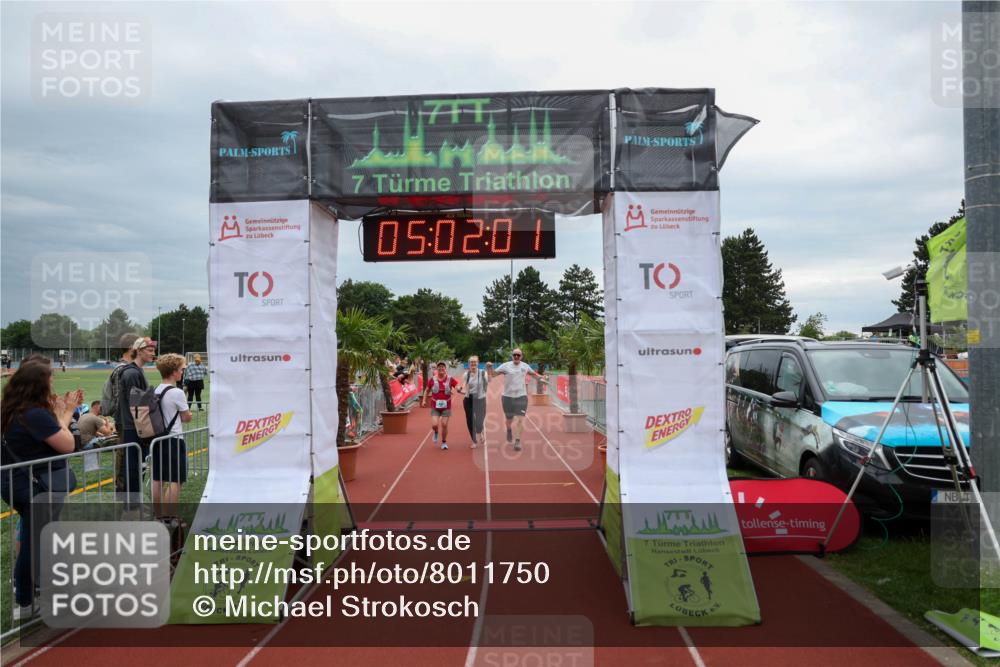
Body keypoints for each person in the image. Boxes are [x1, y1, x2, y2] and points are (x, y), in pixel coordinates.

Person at [0, 358, 81, 619]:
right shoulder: (34, 414)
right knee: (36, 542)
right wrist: (66, 412)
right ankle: (25, 602)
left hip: (17, 483)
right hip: (35, 486)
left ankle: (33, 589)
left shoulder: (11, 409)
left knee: (33, 537)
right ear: (38, 385)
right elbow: (67, 443)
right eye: (50, 379)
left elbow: (52, 435)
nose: (52, 384)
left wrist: (60, 415)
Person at [114, 334, 156, 505]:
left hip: (136, 426)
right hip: (134, 427)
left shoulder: (136, 371)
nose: (153, 353)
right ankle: (132, 506)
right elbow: (136, 405)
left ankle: (134, 502)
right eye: (150, 350)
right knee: (133, 467)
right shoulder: (131, 373)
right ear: (138, 351)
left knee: (139, 466)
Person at [151, 353, 192, 517]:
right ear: (174, 371)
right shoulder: (177, 392)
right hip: (174, 439)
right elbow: (186, 417)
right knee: (176, 480)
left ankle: (158, 514)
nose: (182, 372)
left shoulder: (155, 389)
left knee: (158, 479)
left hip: (158, 439)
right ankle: (169, 515)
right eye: (181, 369)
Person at [486, 348, 548, 451]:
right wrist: (489, 368)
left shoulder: (525, 366)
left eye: (518, 355)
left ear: (521, 356)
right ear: (512, 356)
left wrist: (543, 378)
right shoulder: (505, 365)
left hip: (521, 397)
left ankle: (518, 441)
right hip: (507, 397)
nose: (516, 357)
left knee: (520, 420)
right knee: (509, 419)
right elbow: (493, 374)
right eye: (514, 355)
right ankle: (509, 429)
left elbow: (535, 375)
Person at [420, 361, 463, 450]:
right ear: (437, 369)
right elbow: (427, 390)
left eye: (443, 367)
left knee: (444, 424)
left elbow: (457, 385)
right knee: (435, 425)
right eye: (439, 367)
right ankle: (436, 432)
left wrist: (459, 388)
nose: (441, 368)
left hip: (446, 406)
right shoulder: (432, 379)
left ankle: (444, 442)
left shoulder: (450, 379)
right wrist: (424, 400)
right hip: (435, 406)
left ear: (445, 369)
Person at [461, 356, 489, 448]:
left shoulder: (483, 373)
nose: (473, 364)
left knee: (479, 423)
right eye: (471, 362)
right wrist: (461, 389)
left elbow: (487, 383)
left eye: (475, 362)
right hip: (469, 399)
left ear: (478, 363)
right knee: (470, 420)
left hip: (480, 399)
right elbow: (465, 385)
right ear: (469, 364)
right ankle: (474, 441)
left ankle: (480, 431)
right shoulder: (466, 374)